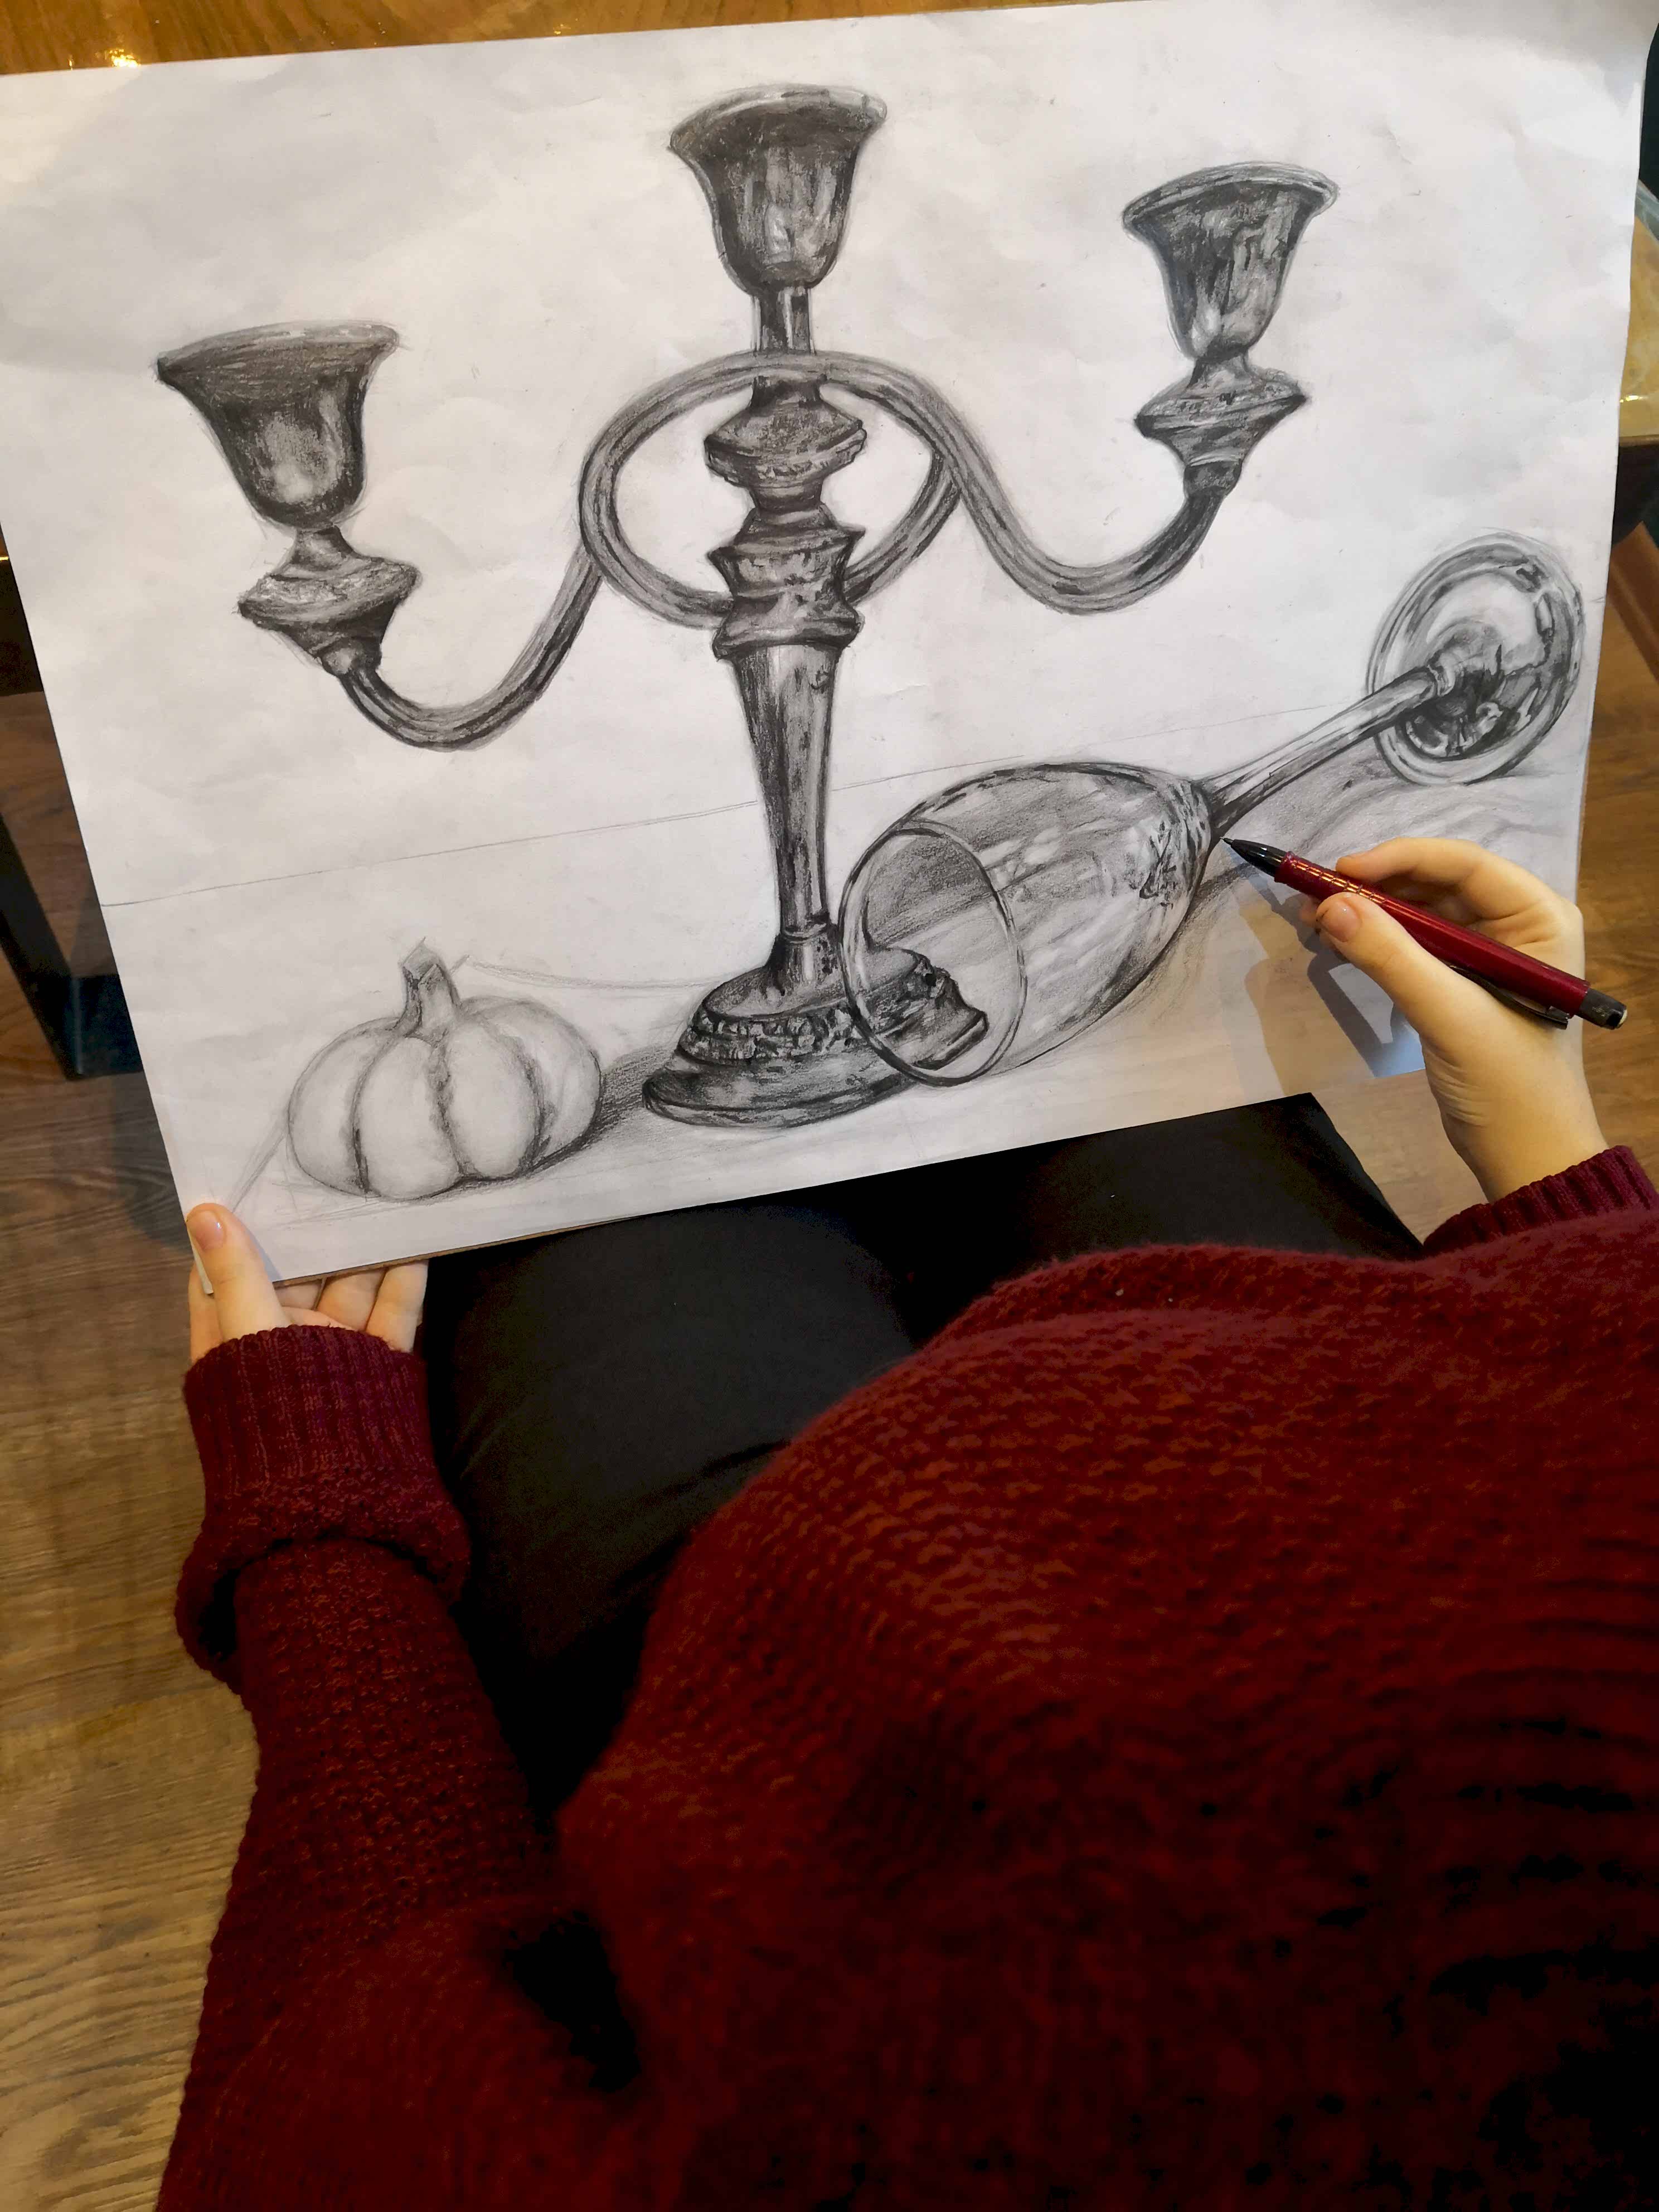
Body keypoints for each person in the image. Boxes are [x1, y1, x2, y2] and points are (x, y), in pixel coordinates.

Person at [162, 840, 1656, 2210]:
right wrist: (1575, 1214)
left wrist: (322, 1540)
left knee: (612, 1196)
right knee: (1124, 1048)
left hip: (740, 1715)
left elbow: (331, 2111)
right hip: (1340, 1439)